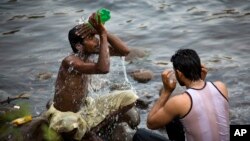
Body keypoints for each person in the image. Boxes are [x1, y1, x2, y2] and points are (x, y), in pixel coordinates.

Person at [45, 13, 138, 140]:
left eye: (95, 36)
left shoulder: (92, 53)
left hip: (84, 109)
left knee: (130, 97)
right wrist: (103, 35)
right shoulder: (70, 61)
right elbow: (103, 69)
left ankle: (94, 129)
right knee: (69, 127)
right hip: (65, 116)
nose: (96, 41)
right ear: (79, 46)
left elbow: (124, 51)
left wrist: (103, 31)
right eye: (91, 38)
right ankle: (87, 133)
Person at [133, 49, 229, 141]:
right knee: (175, 117)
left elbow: (151, 123)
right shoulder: (221, 87)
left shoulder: (179, 102)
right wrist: (201, 80)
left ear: (179, 74)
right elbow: (202, 102)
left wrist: (166, 92)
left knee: (140, 135)